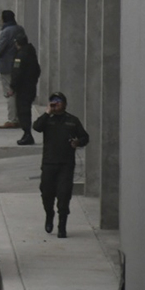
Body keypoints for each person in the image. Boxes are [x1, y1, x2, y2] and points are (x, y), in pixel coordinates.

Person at [32, 92, 90, 238]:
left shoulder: (72, 120)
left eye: (58, 101)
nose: (55, 104)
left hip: (66, 164)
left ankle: (62, 226)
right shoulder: (47, 119)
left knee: (64, 195)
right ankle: (49, 215)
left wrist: (77, 142)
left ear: (64, 104)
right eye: (53, 101)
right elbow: (37, 127)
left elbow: (85, 137)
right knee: (47, 193)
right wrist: (47, 112)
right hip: (49, 163)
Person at [10, 28, 42, 145]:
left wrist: (13, 87)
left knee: (23, 112)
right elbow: (37, 70)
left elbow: (17, 73)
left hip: (23, 89)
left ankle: (27, 134)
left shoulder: (21, 55)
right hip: (31, 87)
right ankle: (27, 133)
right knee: (26, 110)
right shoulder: (31, 52)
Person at [0, 10, 22, 129]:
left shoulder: (6, 32)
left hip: (6, 66)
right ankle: (19, 117)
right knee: (17, 92)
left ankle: (12, 119)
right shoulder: (19, 29)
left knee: (10, 93)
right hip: (19, 65)